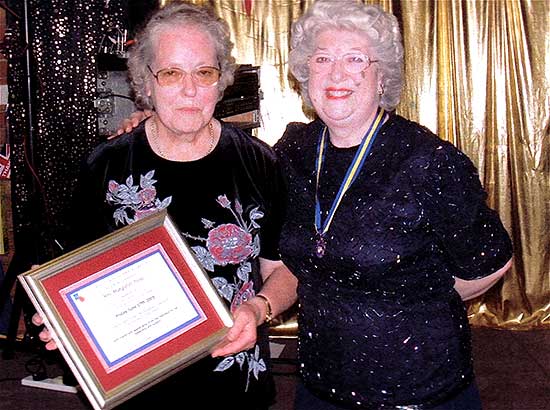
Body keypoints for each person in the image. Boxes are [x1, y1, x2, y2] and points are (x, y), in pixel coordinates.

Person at [32, 2, 297, 409]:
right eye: (171, 73)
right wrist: (61, 319)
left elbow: (284, 271)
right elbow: (74, 278)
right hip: (135, 385)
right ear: (146, 83)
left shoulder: (260, 162)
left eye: (204, 73)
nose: (189, 90)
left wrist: (259, 309)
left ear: (221, 80)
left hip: (234, 383)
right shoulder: (107, 164)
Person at [272, 1, 513, 409]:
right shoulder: (293, 150)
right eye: (323, 58)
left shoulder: (429, 161)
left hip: (417, 389)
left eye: (355, 59)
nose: (336, 72)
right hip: (319, 384)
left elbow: (491, 263)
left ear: (382, 76)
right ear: (305, 72)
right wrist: (145, 125)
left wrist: (414, 301)